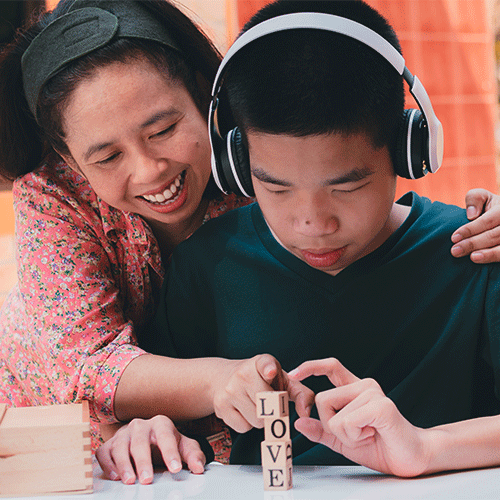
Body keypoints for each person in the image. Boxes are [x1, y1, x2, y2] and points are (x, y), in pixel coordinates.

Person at [0, 0, 498, 485]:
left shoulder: (470, 256)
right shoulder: (200, 259)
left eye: (165, 128)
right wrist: (142, 425)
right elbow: (92, 374)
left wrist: (430, 448)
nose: (312, 223)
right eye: (276, 187)